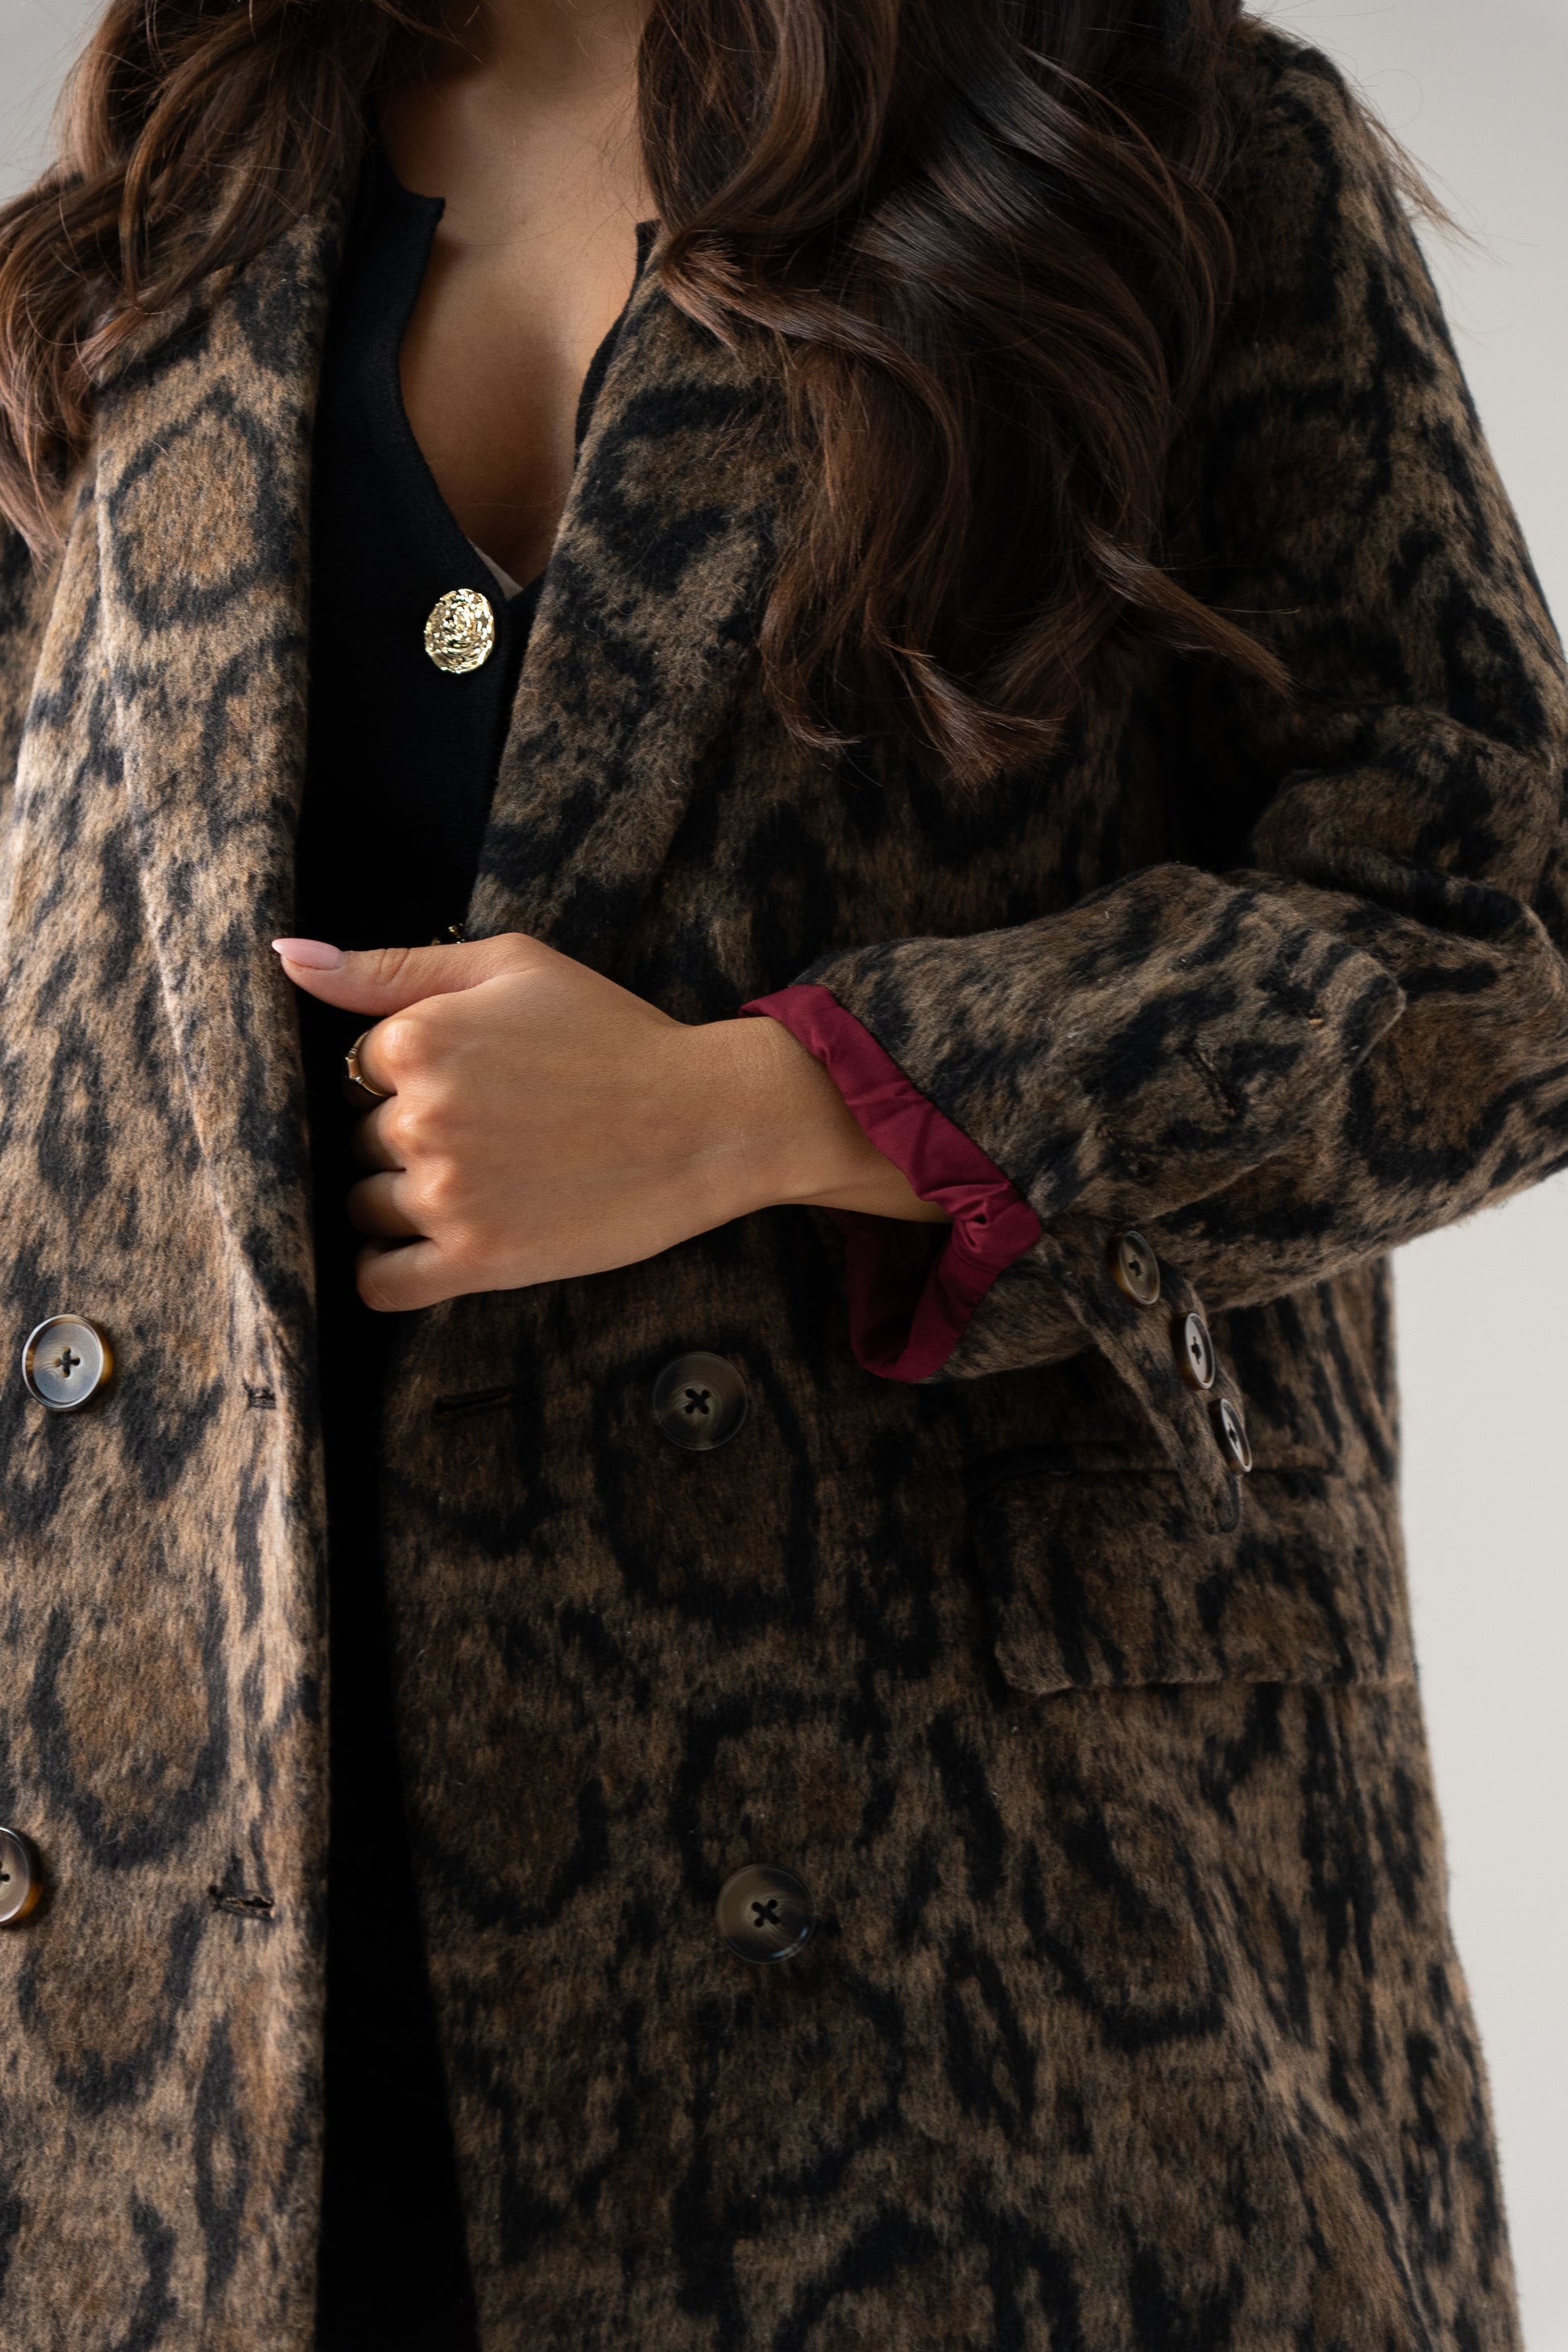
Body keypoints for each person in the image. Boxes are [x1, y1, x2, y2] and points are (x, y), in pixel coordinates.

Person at [0, 0, 1561, 2344]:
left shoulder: (1155, 134)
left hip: (985, 1972)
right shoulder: (146, 243)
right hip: (216, 2027)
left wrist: (769, 1105)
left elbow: (1494, 939)